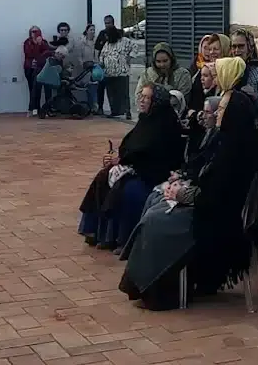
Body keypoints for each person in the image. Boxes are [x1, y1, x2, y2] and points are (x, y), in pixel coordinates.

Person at [118, 57, 258, 310]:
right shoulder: (226, 141)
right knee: (155, 202)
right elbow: (205, 172)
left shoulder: (236, 151)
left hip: (216, 218)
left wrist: (182, 195)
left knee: (157, 220)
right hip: (208, 205)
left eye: (221, 110)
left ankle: (162, 291)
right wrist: (183, 184)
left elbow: (215, 196)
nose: (217, 113)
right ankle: (145, 284)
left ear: (233, 114)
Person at [78, 85, 185, 251]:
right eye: (141, 96)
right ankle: (96, 232)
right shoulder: (145, 119)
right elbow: (130, 146)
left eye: (147, 97)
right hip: (136, 167)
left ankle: (123, 239)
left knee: (128, 190)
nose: (142, 100)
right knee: (103, 176)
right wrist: (118, 159)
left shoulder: (166, 123)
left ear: (156, 102)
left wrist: (125, 161)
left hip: (154, 173)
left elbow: (156, 156)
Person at [99, 26, 139, 119]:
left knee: (124, 93)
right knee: (112, 93)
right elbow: (102, 54)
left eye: (107, 36)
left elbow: (135, 47)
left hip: (122, 72)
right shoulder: (107, 44)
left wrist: (130, 57)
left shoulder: (124, 41)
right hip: (109, 73)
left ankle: (127, 112)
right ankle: (115, 111)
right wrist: (101, 62)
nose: (106, 38)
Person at [230, 28, 258, 105]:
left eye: (241, 46)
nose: (236, 51)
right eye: (234, 46)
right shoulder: (230, 71)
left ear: (250, 48)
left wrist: (254, 96)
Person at [22, 26, 54, 116]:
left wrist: (40, 45)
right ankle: (35, 108)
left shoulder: (44, 42)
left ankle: (46, 109)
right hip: (30, 68)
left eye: (36, 31)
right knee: (33, 89)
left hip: (42, 68)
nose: (34, 33)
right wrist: (37, 45)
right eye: (33, 31)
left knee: (46, 88)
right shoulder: (27, 42)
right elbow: (29, 54)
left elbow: (47, 53)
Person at [84, 24, 102, 114]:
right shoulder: (82, 42)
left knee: (94, 87)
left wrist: (97, 63)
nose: (92, 32)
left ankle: (95, 107)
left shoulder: (97, 42)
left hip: (95, 67)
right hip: (85, 67)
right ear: (87, 31)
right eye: (91, 30)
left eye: (94, 30)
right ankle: (89, 106)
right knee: (87, 87)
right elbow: (79, 55)